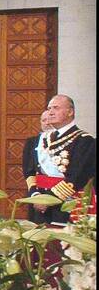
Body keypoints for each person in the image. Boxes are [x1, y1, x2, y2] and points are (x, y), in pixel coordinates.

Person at [28, 93, 97, 223]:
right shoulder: (41, 139)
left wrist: (48, 200)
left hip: (67, 203)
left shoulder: (84, 141)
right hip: (40, 203)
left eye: (56, 108)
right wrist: (35, 195)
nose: (51, 112)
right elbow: (31, 172)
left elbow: (77, 176)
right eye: (49, 109)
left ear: (70, 112)